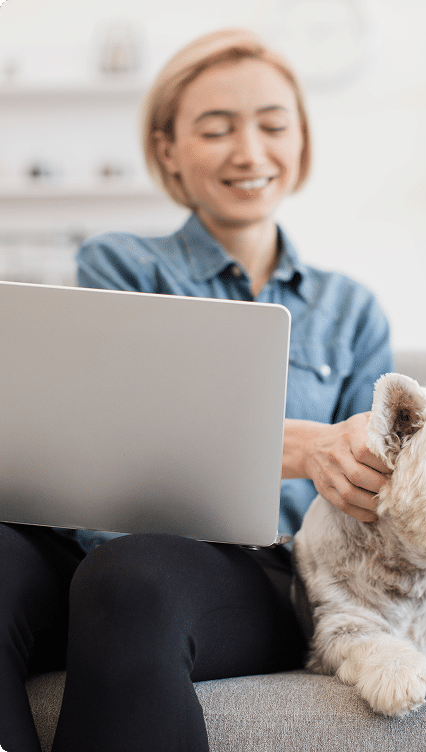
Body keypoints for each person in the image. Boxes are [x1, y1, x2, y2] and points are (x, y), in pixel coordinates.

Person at [0, 29, 394, 752]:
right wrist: (304, 445)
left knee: (133, 571)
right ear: (169, 149)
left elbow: (375, 512)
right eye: (216, 128)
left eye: (273, 125)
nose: (249, 151)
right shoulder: (119, 261)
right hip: (91, 547)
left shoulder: (352, 311)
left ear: (301, 141)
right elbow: (114, 436)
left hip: (259, 571)